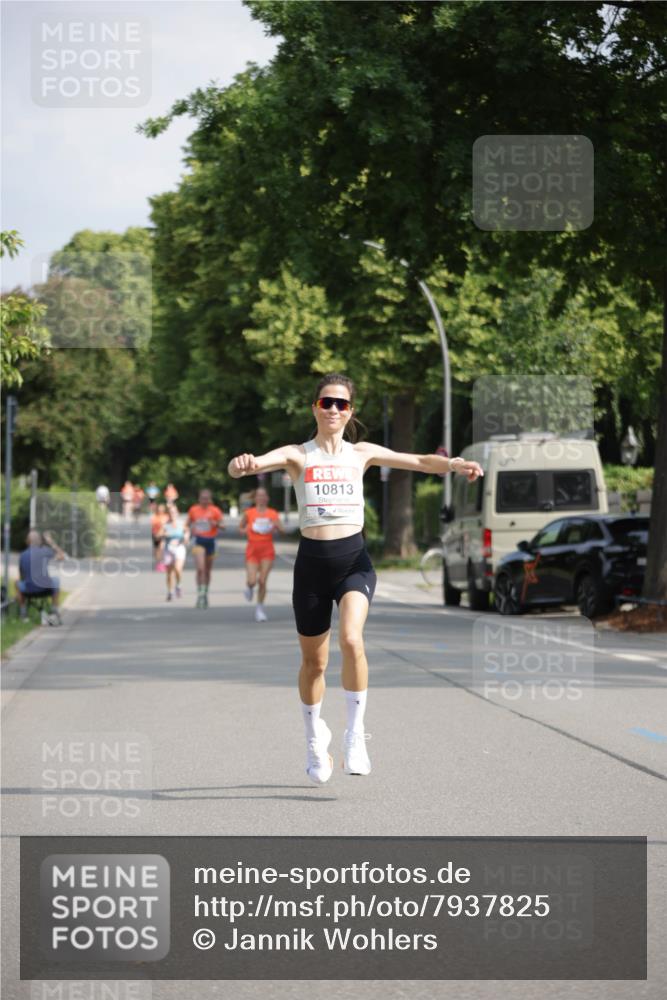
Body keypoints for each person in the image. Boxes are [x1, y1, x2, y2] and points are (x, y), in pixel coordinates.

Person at [228, 372, 483, 785]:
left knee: (351, 638)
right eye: (326, 402)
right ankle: (315, 738)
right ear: (315, 407)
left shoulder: (360, 453)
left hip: (353, 563)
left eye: (341, 404)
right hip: (312, 568)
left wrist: (454, 464)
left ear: (350, 412)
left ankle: (354, 737)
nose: (333, 409)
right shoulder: (298, 454)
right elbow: (253, 463)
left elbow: (417, 461)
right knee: (315, 663)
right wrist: (242, 466)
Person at [239, 486, 289, 622]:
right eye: (259, 496)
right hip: (252, 549)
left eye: (263, 496)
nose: (261, 498)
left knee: (262, 581)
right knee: (252, 580)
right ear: (255, 498)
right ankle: (249, 588)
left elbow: (283, 531)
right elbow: (241, 528)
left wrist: (277, 526)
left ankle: (259, 609)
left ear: (267, 498)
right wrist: (246, 529)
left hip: (267, 549)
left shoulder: (272, 514)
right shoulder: (249, 513)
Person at [15, 530, 67, 624]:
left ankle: (23, 613)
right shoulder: (45, 551)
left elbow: (21, 575)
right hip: (46, 589)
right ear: (39, 541)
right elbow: (62, 556)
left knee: (17, 583)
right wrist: (50, 541)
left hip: (28, 590)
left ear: (27, 541)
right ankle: (54, 610)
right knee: (56, 580)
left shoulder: (23, 555)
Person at [187, 489, 225, 608]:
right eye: (202, 498)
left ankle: (205, 593)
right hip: (198, 541)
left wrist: (216, 524)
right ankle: (200, 595)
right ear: (199, 499)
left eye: (207, 498)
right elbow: (187, 523)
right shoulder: (194, 510)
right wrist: (188, 530)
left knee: (207, 570)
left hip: (211, 541)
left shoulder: (215, 511)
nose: (204, 501)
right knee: (200, 568)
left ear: (210, 499)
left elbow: (223, 526)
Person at [162, 505, 189, 601]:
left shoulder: (181, 523)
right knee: (169, 573)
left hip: (179, 548)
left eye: (174, 512)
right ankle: (170, 592)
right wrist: (164, 534)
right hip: (168, 549)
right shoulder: (165, 524)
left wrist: (185, 537)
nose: (172, 514)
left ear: (177, 513)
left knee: (177, 569)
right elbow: (158, 535)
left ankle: (178, 585)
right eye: (170, 512)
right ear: (168, 514)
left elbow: (186, 532)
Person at [151, 503, 168, 569]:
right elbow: (152, 527)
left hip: (163, 535)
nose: (160, 510)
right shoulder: (154, 517)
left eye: (162, 509)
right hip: (155, 535)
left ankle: (163, 563)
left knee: (161, 548)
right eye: (159, 509)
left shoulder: (166, 516)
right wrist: (155, 533)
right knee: (156, 551)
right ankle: (159, 562)